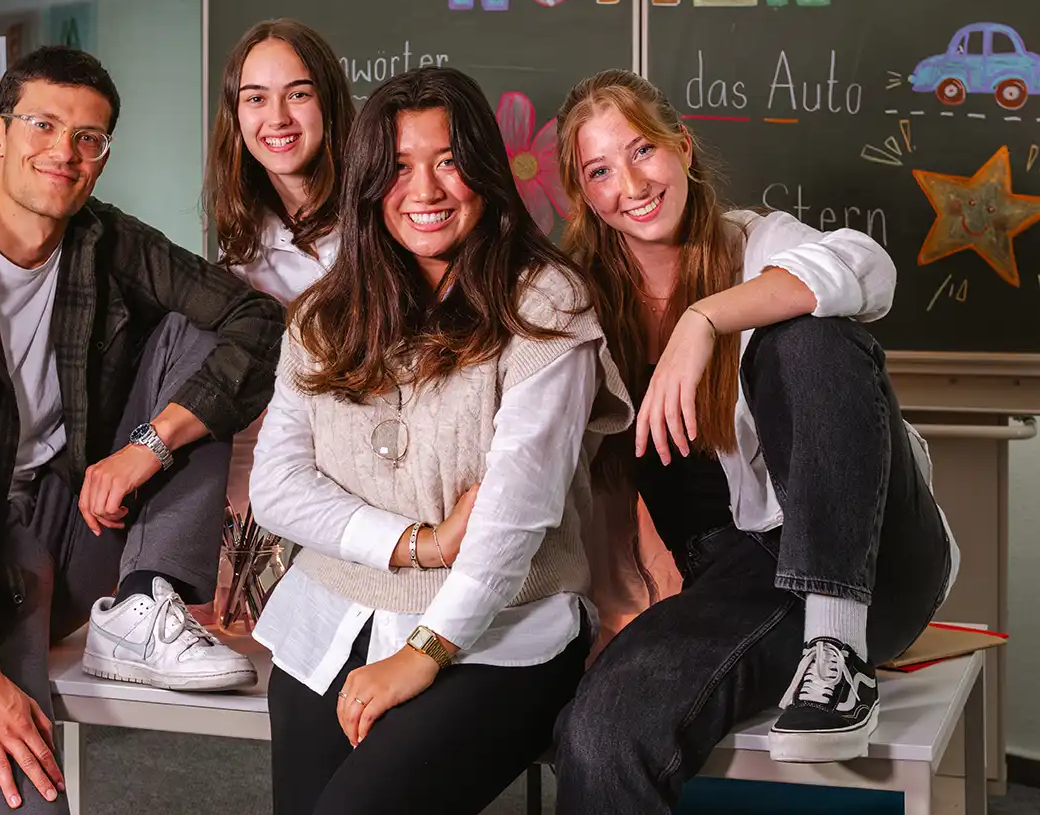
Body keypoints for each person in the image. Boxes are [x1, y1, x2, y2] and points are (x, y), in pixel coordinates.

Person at [0, 46, 284, 814]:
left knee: (203, 332)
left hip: (71, 529)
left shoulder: (106, 240)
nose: (65, 153)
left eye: (90, 139)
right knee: (29, 797)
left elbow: (256, 323)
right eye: (44, 124)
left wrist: (148, 447)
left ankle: (144, 600)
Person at [550, 69, 959, 814]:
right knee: (600, 731)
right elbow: (601, 478)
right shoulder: (580, 304)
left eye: (642, 151)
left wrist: (704, 319)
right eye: (600, 170)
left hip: (876, 557)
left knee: (807, 334)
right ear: (582, 195)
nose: (631, 184)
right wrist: (621, 605)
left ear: (682, 146)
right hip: (735, 575)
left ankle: (838, 649)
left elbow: (869, 268)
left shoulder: (755, 241)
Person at [247, 66, 632, 815]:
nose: (424, 191)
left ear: (486, 171)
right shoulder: (326, 316)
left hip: (498, 632)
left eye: (448, 162)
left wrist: (421, 654)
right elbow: (278, 489)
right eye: (396, 167)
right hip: (332, 615)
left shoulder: (547, 307)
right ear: (367, 184)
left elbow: (511, 522)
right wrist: (416, 542)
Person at [207, 17, 353, 514]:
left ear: (328, 103)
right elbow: (250, 421)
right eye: (255, 98)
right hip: (289, 498)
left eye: (297, 94)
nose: (277, 118)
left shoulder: (389, 219)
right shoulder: (242, 258)